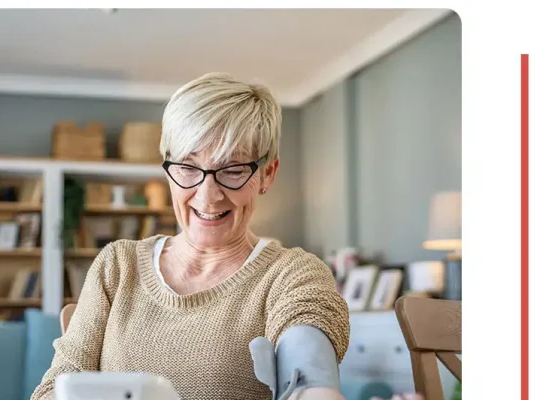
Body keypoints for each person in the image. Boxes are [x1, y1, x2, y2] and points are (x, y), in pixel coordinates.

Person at [31, 72, 350, 400]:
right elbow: (52, 391)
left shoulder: (291, 275)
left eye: (233, 169)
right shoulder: (117, 266)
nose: (207, 196)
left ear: (267, 174)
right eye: (187, 167)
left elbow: (309, 374)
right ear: (168, 169)